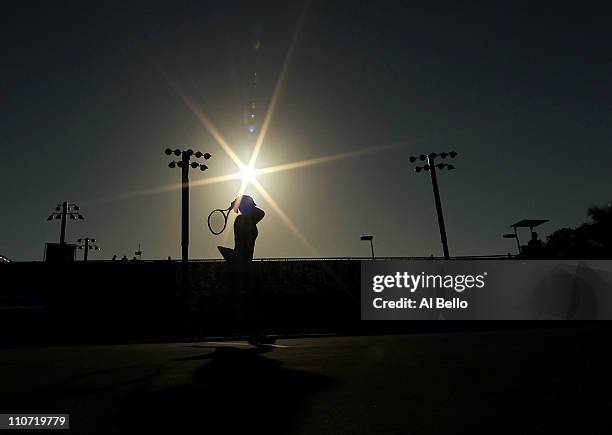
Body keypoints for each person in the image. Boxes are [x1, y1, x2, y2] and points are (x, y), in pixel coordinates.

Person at [218, 195, 273, 345]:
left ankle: (255, 333)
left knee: (251, 300)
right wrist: (239, 203)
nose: (254, 208)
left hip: (244, 263)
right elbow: (261, 213)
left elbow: (259, 213)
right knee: (255, 299)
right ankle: (256, 333)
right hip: (243, 264)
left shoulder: (245, 219)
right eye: (251, 206)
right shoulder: (243, 220)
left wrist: (237, 204)